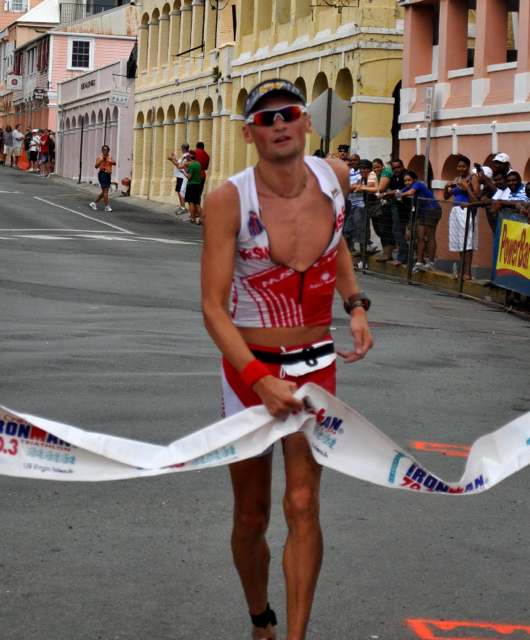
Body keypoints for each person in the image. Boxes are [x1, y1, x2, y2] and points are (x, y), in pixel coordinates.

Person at [201, 79, 373, 640]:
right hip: (250, 368)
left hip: (316, 362)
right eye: (265, 118)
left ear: (305, 122)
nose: (279, 124)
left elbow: (337, 240)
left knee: (303, 504)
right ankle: (261, 619)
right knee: (253, 515)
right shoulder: (229, 200)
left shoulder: (335, 178)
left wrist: (355, 305)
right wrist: (258, 379)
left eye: (288, 113)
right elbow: (212, 309)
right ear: (250, 132)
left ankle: (296, 636)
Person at [443, 156, 480, 281]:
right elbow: (447, 196)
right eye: (459, 166)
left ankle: (468, 272)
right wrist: (446, 186)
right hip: (455, 211)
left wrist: (467, 188)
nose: (461, 169)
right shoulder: (456, 179)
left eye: (463, 166)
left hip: (466, 211)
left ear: (468, 167)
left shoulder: (472, 178)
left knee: (467, 241)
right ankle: (463, 270)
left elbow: (476, 196)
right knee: (458, 242)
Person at [400, 171, 442, 273]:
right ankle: (419, 262)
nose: (407, 183)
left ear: (414, 179)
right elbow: (399, 191)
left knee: (430, 235)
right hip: (422, 211)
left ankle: (431, 262)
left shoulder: (417, 184)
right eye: (405, 181)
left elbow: (410, 193)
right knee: (420, 236)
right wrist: (387, 194)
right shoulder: (408, 187)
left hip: (432, 209)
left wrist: (401, 195)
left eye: (409, 180)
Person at [354, 158, 395, 262]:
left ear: (382, 166)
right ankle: (385, 253)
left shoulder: (385, 173)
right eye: (374, 167)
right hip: (376, 206)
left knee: (385, 230)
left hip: (386, 204)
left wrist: (363, 188)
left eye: (378, 167)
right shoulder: (374, 175)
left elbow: (380, 189)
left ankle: (388, 254)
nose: (376, 169)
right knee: (380, 230)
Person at [387, 159, 409, 266]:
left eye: (398, 167)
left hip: (404, 209)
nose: (396, 170)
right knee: (397, 232)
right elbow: (390, 189)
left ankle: (403, 257)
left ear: (403, 166)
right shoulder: (394, 177)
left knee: (398, 232)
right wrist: (390, 193)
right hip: (396, 207)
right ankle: (403, 256)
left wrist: (388, 194)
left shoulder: (405, 176)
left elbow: (399, 191)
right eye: (394, 168)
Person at [89, 145, 116, 212]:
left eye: (106, 150)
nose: (105, 151)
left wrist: (108, 161)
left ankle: (94, 203)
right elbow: (96, 166)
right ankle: (107, 206)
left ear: (108, 151)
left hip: (108, 174)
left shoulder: (110, 158)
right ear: (102, 151)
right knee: (106, 190)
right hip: (102, 174)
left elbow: (114, 163)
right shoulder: (100, 158)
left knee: (104, 191)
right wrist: (101, 161)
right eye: (104, 150)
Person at [167, 143, 190, 214]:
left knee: (181, 191)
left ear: (183, 148)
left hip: (182, 176)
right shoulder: (184, 156)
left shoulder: (186, 156)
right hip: (180, 175)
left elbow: (178, 165)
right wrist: (174, 159)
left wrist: (172, 160)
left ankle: (183, 207)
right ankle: (181, 206)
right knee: (179, 191)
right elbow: (178, 163)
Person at [182, 150, 203, 224]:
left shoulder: (191, 165)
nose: (186, 157)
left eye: (187, 156)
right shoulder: (198, 164)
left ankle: (192, 218)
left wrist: (183, 172)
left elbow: (189, 177)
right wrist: (186, 170)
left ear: (189, 157)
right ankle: (201, 218)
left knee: (191, 202)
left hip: (191, 185)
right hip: (197, 184)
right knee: (197, 203)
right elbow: (192, 172)